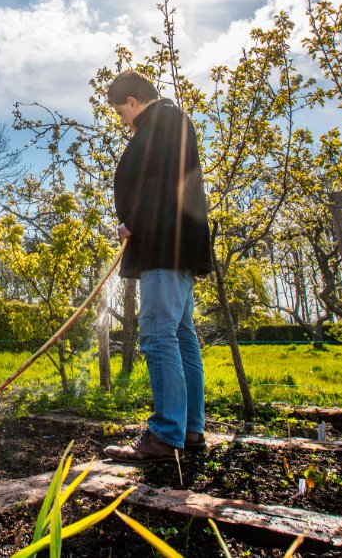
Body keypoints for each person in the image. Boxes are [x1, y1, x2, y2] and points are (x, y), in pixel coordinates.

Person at [102, 70, 212, 463]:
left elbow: (160, 184)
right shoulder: (172, 122)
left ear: (133, 102)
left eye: (121, 113)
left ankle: (166, 434)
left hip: (165, 246)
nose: (123, 121)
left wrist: (134, 222)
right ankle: (190, 429)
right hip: (177, 245)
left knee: (158, 334)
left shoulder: (163, 122)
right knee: (181, 335)